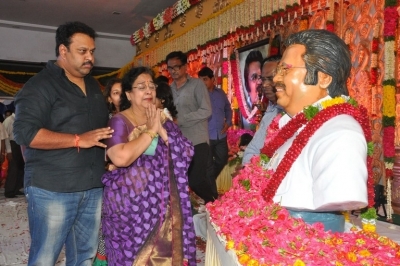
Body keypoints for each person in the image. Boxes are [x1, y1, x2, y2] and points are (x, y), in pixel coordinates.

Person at [13, 21, 112, 265]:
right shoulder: (40, 85)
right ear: (63, 51)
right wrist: (78, 139)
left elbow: (99, 130)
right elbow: (24, 133)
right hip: (52, 189)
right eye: (82, 51)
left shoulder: (93, 84)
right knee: (45, 257)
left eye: (92, 51)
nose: (90, 57)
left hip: (92, 186)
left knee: (84, 256)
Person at [261, 29, 368, 232]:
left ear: (324, 78)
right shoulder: (289, 125)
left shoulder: (340, 133)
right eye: (278, 71)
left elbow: (342, 193)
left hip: (306, 243)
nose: (276, 79)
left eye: (286, 70)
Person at [101, 67, 196, 265]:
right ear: (129, 93)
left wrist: (160, 129)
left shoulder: (163, 119)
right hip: (130, 206)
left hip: (163, 204)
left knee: (164, 255)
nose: (148, 91)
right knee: (133, 256)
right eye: (141, 87)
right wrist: (150, 131)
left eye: (151, 86)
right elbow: (121, 158)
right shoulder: (119, 121)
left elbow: (186, 153)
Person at [166, 51, 218, 203]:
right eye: (170, 68)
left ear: (185, 67)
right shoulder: (169, 89)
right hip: (178, 143)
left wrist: (180, 120)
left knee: (196, 180)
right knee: (181, 181)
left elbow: (206, 110)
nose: (173, 71)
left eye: (177, 67)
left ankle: (216, 204)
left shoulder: (197, 85)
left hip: (197, 141)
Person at [242, 55, 282, 165]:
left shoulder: (294, 112)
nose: (264, 84)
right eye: (263, 79)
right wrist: (246, 168)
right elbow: (254, 148)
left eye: (270, 78)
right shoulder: (272, 109)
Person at [198, 66, 232, 180]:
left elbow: (228, 108)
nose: (202, 82)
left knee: (222, 160)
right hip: (206, 137)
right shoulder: (199, 96)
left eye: (205, 79)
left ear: (213, 80)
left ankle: (209, 181)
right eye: (200, 80)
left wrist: (228, 122)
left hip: (221, 134)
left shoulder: (221, 93)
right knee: (207, 165)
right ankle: (210, 191)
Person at [3, 110, 24, 198]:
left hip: (21, 145)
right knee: (13, 168)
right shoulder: (9, 120)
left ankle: (16, 189)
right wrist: (9, 151)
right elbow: (5, 137)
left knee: (20, 168)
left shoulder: (22, 120)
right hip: (12, 145)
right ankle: (9, 191)